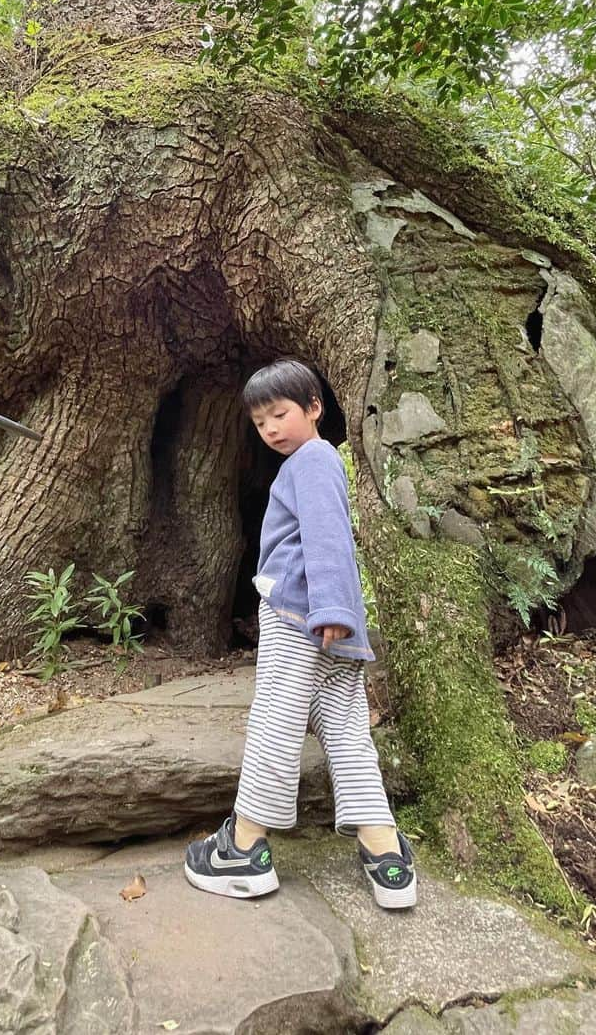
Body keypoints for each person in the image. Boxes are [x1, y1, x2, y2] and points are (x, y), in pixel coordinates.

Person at [184, 357, 417, 908]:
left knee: (276, 718)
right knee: (344, 729)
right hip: (334, 628)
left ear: (314, 408)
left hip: (299, 615)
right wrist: (340, 615)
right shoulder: (316, 461)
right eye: (259, 421)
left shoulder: (312, 459)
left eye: (280, 414)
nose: (269, 429)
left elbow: (327, 536)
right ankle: (384, 854)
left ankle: (244, 847)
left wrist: (329, 606)